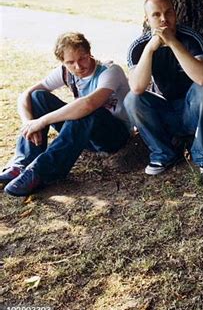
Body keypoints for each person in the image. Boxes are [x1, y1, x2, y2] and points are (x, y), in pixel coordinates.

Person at [0, 32, 131, 197]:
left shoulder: (110, 71)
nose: (78, 66)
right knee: (38, 97)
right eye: (70, 62)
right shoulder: (65, 72)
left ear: (90, 53)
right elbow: (25, 95)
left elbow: (88, 104)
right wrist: (29, 123)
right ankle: (22, 163)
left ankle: (40, 172)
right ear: (62, 62)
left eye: (82, 58)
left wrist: (42, 121)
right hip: (83, 132)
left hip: (113, 135)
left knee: (86, 111)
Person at [125, 0, 203, 177]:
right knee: (131, 100)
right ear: (147, 19)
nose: (163, 19)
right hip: (163, 112)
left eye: (168, 13)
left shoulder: (191, 38)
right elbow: (137, 87)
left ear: (175, 13)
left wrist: (173, 43)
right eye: (156, 15)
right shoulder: (138, 46)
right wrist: (151, 49)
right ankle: (162, 153)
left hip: (191, 108)